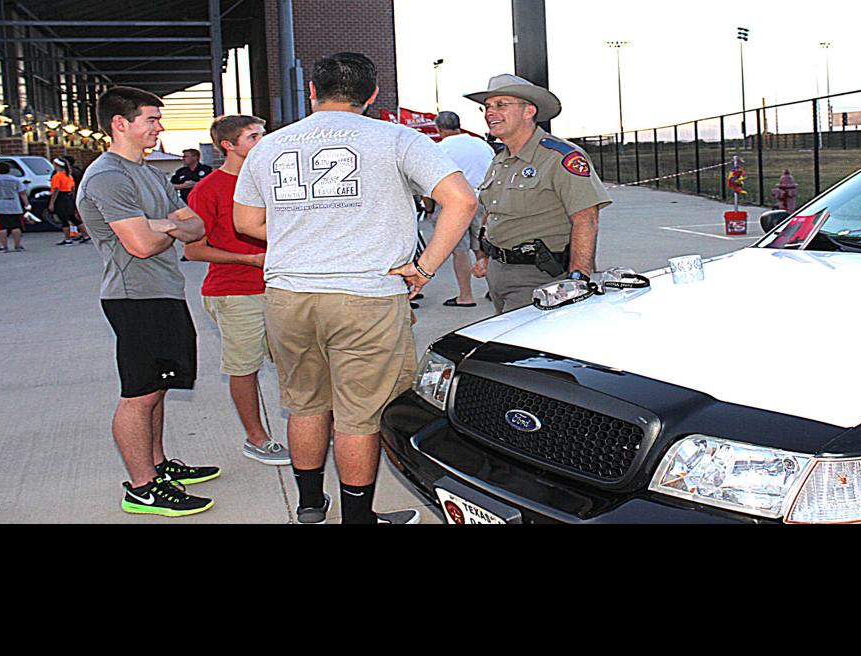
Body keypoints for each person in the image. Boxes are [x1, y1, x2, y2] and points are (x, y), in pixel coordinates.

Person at [233, 51, 474, 525]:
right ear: (373, 94)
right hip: (365, 294)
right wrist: (423, 269)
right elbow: (461, 200)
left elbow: (246, 220)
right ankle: (359, 517)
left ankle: (309, 503)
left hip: (289, 295)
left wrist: (305, 232)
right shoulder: (396, 139)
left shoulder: (270, 145)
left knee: (303, 404)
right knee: (358, 415)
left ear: (311, 92)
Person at [77, 85, 216, 518]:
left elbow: (196, 230)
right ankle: (142, 488)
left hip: (163, 292)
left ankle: (157, 466)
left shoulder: (149, 172)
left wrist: (164, 226)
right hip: (134, 296)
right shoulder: (108, 177)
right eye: (151, 119)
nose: (160, 127)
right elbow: (139, 244)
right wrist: (165, 226)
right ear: (121, 123)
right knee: (139, 393)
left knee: (159, 387)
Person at [184, 114, 292, 468]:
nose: (262, 141)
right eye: (253, 137)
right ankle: (256, 439)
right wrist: (248, 259)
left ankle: (308, 428)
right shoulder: (208, 189)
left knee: (294, 362)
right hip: (233, 292)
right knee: (244, 368)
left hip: (278, 287)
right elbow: (193, 249)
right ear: (228, 146)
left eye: (263, 134)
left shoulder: (272, 181)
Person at [465, 74, 612, 313]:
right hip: (498, 273)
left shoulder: (560, 156)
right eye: (487, 107)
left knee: (518, 347)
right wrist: (485, 255)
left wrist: (578, 278)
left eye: (501, 105)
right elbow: (492, 213)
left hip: (540, 276)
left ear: (528, 111)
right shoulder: (501, 160)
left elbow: (586, 219)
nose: (489, 113)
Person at [426, 110, 492, 307]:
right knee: (483, 246)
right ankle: (492, 288)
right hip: (484, 199)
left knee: (459, 250)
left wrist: (429, 208)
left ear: (438, 128)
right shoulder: (481, 145)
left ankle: (466, 295)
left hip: (454, 203)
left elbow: (428, 183)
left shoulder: (439, 148)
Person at [47, 158, 81, 245]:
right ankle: (85, 235)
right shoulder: (68, 176)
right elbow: (73, 188)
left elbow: (56, 189)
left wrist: (52, 202)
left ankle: (68, 239)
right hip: (68, 196)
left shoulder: (57, 176)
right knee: (73, 218)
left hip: (61, 198)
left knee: (63, 219)